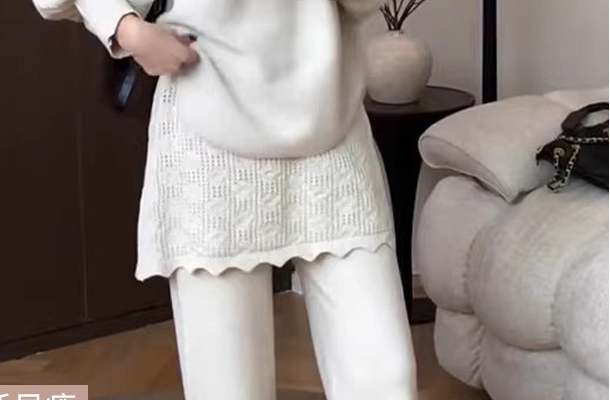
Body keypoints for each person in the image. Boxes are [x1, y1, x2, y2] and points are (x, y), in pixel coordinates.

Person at [33, 0, 418, 399]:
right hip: (209, 143)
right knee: (229, 385)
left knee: (386, 378)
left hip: (330, 125)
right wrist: (128, 29)